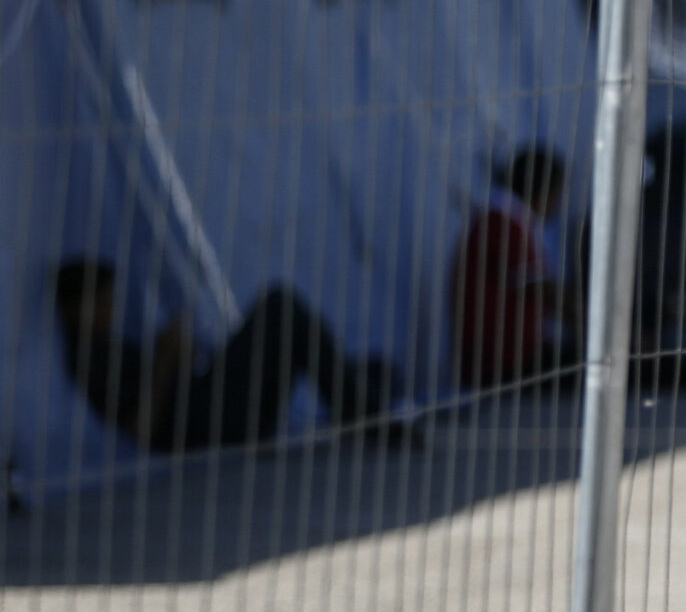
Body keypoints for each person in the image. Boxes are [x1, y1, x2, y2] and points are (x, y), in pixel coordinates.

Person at [53, 258, 396, 452]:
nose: (109, 311)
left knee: (358, 363)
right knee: (279, 308)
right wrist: (165, 360)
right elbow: (142, 428)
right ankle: (361, 411)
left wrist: (176, 357)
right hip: (207, 427)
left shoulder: (109, 345)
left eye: (110, 301)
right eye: (100, 303)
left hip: (209, 408)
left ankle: (362, 401)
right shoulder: (89, 359)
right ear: (71, 309)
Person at [450, 144, 576, 390]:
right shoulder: (502, 222)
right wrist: (602, 327)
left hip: (512, 355)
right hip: (505, 362)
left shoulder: (510, 219)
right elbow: (542, 290)